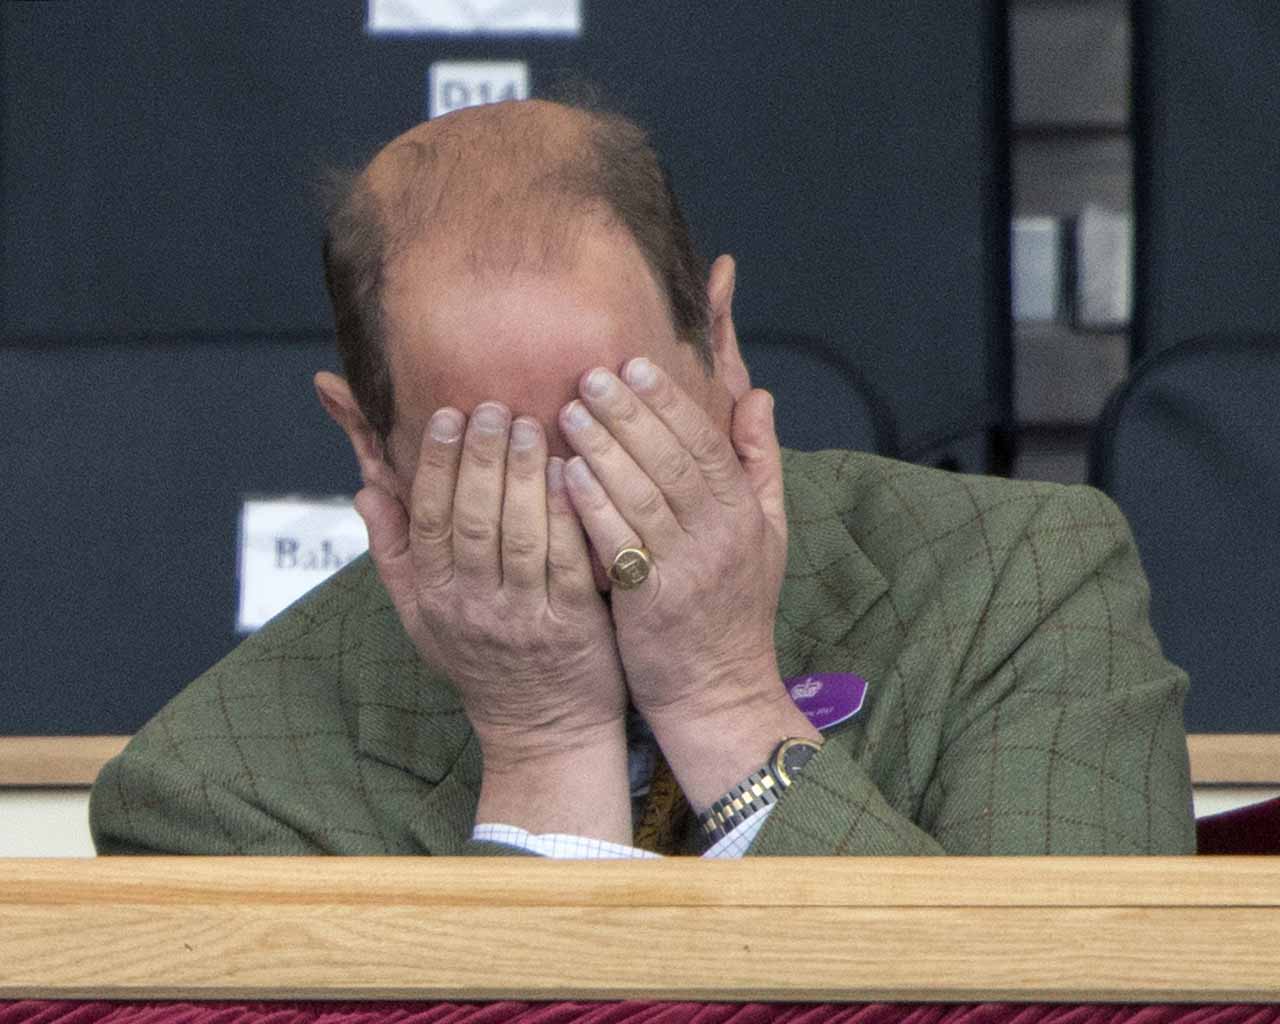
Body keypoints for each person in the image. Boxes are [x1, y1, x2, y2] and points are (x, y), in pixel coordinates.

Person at [90, 99, 1196, 857]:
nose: (583, 511)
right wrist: (543, 751)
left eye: (617, 421)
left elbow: (1068, 1005)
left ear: (719, 341)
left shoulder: (1022, 581)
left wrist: (725, 702)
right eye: (499, 462)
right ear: (369, 442)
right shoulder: (215, 788)